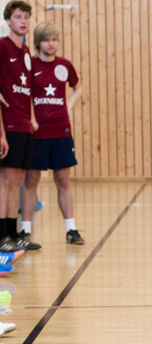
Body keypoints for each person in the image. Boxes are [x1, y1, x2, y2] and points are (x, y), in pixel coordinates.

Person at [20, 20, 83, 246]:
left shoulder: (64, 65)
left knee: (63, 180)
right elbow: (23, 94)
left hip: (61, 131)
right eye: (46, 40)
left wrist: (69, 106)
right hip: (36, 133)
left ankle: (71, 229)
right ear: (38, 42)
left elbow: (77, 88)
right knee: (31, 180)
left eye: (54, 39)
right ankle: (25, 231)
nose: (51, 44)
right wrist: (30, 118)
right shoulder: (30, 65)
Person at [0, 0, 35, 253]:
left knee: (19, 178)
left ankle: (13, 233)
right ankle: (2, 234)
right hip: (8, 122)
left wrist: (31, 118)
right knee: (6, 179)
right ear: (8, 20)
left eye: (26, 17)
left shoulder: (25, 52)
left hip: (23, 123)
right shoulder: (2, 46)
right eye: (18, 16)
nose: (23, 21)